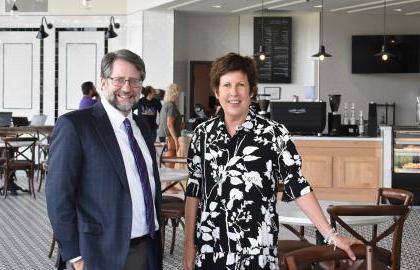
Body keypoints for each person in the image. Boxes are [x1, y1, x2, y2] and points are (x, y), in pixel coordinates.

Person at [183, 52, 361, 269]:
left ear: (252, 91)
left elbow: (298, 185)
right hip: (211, 249)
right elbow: (194, 193)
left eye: (241, 85)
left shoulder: (273, 134)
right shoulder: (202, 134)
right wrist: (189, 247)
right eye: (227, 85)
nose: (234, 93)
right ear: (216, 91)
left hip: (257, 250)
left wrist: (331, 236)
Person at [46, 49, 162, 270]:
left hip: (147, 248)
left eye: (134, 81)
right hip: (97, 254)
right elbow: (58, 196)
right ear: (103, 82)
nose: (127, 88)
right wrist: (76, 257)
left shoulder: (143, 127)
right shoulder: (76, 126)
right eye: (119, 80)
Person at [157, 83, 182, 154]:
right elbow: (169, 124)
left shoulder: (166, 104)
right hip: (169, 137)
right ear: (175, 93)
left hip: (164, 136)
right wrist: (176, 140)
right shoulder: (171, 106)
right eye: (178, 92)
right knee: (170, 162)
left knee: (167, 162)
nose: (179, 94)